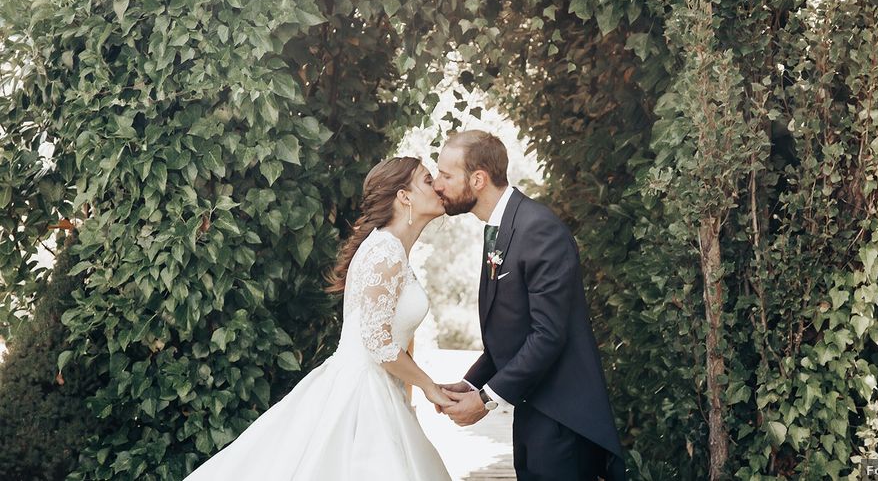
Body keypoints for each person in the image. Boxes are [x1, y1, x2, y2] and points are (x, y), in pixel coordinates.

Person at [184, 157, 453, 481]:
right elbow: (376, 342)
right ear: (404, 196)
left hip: (379, 388)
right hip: (361, 394)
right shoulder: (385, 252)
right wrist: (428, 386)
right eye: (427, 179)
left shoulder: (391, 249)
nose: (437, 185)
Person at [432, 130, 626, 481]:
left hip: (564, 419)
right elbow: (512, 333)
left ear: (478, 179)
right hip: (535, 412)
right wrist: (471, 384)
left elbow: (547, 335)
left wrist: (486, 399)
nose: (437, 184)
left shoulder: (539, 229)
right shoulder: (502, 226)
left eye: (446, 175)